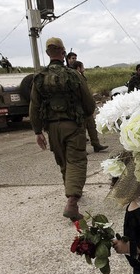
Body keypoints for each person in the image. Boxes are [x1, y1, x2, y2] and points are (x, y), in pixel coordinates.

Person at [29, 37, 96, 221]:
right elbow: (89, 103)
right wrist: (86, 115)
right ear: (63, 51)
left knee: (63, 161)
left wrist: (37, 132)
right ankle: (72, 202)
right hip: (73, 125)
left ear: (48, 53)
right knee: (76, 161)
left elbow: (34, 107)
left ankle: (72, 190)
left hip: (52, 128)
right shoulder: (74, 75)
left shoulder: (40, 78)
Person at [73, 61, 108, 152]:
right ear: (78, 68)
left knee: (92, 127)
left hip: (86, 107)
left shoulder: (81, 76)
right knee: (81, 130)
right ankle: (82, 150)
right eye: (82, 67)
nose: (83, 68)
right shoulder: (74, 77)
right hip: (80, 108)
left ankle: (96, 144)